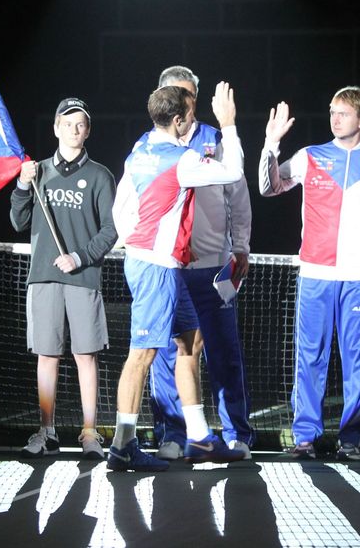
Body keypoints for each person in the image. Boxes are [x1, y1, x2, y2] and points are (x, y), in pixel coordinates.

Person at [108, 83, 247, 471]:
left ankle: (199, 438)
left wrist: (136, 245)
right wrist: (229, 124)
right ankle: (122, 446)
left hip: (155, 262)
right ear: (178, 119)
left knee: (190, 341)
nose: (193, 119)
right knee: (142, 355)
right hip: (157, 266)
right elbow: (233, 172)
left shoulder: (137, 154)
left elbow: (123, 210)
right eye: (189, 112)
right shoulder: (181, 159)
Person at [259, 86, 360, 461]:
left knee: (358, 360)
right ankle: (305, 437)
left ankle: (352, 440)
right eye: (332, 111)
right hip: (315, 273)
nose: (335, 117)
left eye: (344, 112)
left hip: (359, 278)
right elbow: (269, 187)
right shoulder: (310, 157)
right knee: (309, 356)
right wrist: (270, 145)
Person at [10, 97, 118, 459]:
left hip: (84, 277)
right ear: (56, 127)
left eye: (81, 124)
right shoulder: (36, 172)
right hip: (43, 277)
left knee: (86, 356)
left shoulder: (101, 176)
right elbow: (18, 221)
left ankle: (89, 434)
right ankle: (46, 431)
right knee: (47, 355)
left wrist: (79, 256)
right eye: (68, 123)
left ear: (88, 130)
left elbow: (111, 230)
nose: (74, 129)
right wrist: (23, 187)